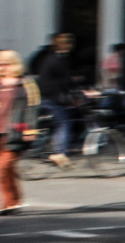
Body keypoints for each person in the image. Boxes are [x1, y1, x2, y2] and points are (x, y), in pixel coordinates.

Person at [0, 51, 41, 215]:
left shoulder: (26, 83)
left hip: (15, 131)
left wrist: (30, 129)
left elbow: (33, 107)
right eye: (0, 64)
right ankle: (13, 202)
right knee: (7, 170)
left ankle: (11, 201)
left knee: (3, 167)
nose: (3, 67)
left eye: (6, 64)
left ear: (15, 64)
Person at [36, 33, 77, 168]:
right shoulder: (58, 59)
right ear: (67, 45)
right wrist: (82, 92)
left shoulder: (50, 57)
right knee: (64, 123)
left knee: (57, 122)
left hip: (46, 96)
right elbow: (66, 80)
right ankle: (59, 153)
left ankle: (51, 148)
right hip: (51, 98)